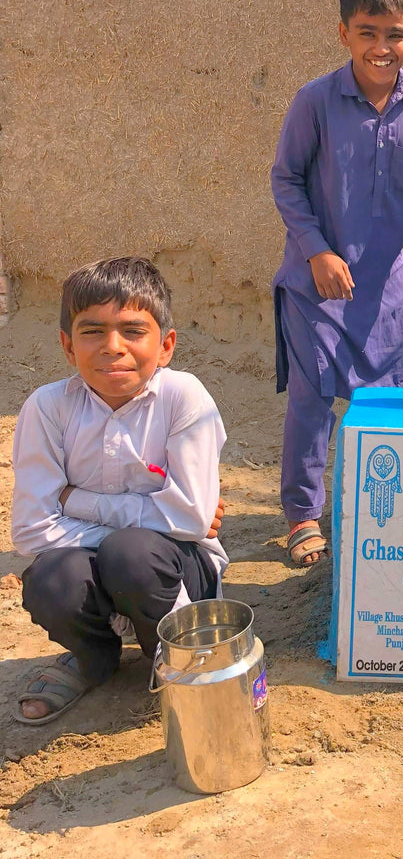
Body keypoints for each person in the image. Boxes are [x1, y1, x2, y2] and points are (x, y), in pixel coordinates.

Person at [271, 0, 403, 565]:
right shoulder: (315, 102)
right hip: (317, 281)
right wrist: (317, 250)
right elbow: (284, 180)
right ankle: (304, 515)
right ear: (343, 34)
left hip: (386, 284)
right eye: (367, 33)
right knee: (313, 397)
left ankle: (383, 508)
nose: (381, 48)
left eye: (395, 34)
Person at [11, 257, 227, 725]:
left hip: (179, 575)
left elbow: (189, 522)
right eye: (92, 332)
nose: (113, 348)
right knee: (52, 579)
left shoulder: (183, 398)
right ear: (68, 346)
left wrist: (75, 502)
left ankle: (176, 657)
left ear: (166, 345)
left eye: (133, 331)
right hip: (120, 559)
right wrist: (159, 514)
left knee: (133, 554)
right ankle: (94, 657)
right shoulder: (48, 409)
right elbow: (30, 530)